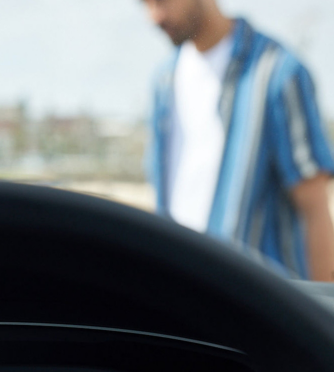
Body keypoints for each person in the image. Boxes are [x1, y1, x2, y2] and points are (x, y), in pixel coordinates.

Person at [142, 0, 334, 280]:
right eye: (143, 4)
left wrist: (323, 311)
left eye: (161, 1)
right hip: (180, 291)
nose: (154, 17)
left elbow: (314, 209)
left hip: (258, 304)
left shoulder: (277, 71)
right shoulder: (164, 80)